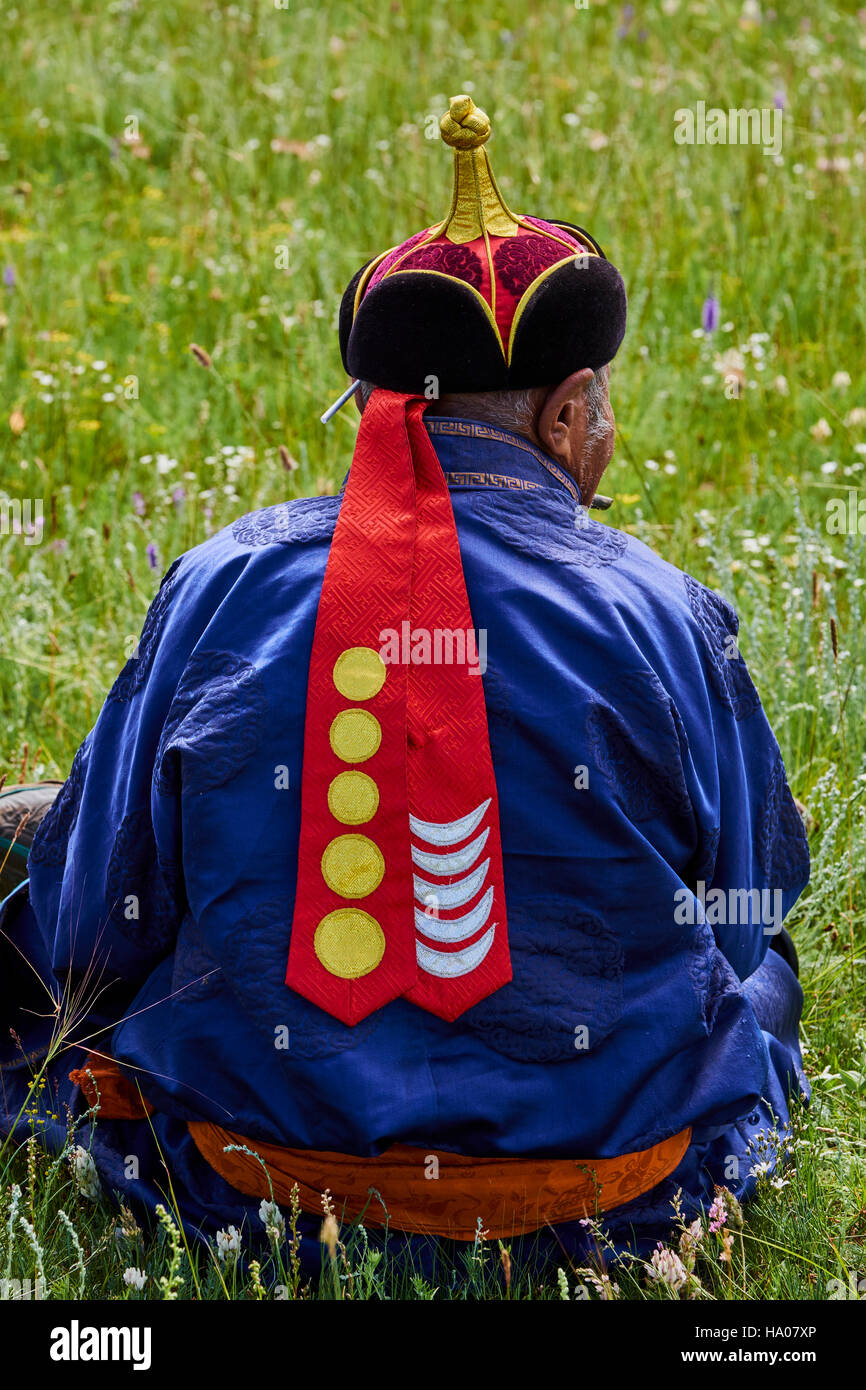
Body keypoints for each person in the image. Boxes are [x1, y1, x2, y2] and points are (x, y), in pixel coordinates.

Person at [0, 95, 808, 1279]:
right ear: (569, 408)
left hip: (252, 1173)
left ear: (377, 405)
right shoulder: (658, 609)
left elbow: (88, 919)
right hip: (607, 1181)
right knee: (765, 961)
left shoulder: (222, 581)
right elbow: (745, 897)